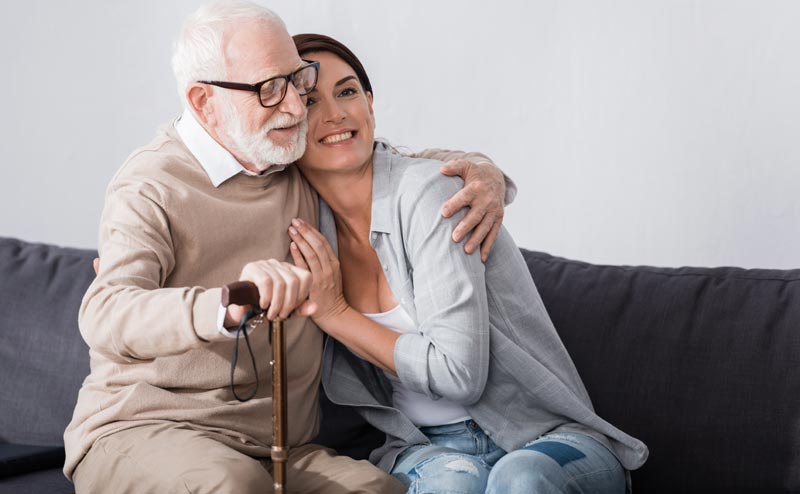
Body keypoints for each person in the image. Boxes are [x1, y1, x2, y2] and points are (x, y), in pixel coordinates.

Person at [64, 2, 512, 493]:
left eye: (297, 80)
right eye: (268, 89)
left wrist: (479, 169)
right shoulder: (150, 185)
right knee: (231, 486)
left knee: (383, 490)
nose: (298, 108)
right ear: (203, 101)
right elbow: (105, 312)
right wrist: (229, 301)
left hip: (279, 448)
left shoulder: (284, 152)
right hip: (144, 430)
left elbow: (377, 156)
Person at [285, 33, 650, 494]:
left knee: (520, 478)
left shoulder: (427, 194)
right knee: (454, 485)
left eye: (347, 91)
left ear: (370, 104)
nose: (335, 112)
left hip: (548, 439)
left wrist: (337, 315)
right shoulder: (302, 228)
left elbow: (459, 375)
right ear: (287, 121)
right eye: (310, 99)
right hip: (426, 450)